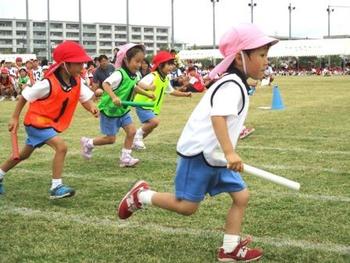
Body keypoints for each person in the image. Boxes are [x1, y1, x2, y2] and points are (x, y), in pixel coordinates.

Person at [117, 23, 278, 262]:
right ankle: (141, 196)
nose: (266, 61)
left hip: (217, 157)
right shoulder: (231, 85)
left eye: (267, 55)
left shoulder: (238, 84)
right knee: (187, 207)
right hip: (201, 154)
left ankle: (230, 249)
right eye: (262, 55)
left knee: (241, 196)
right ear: (239, 58)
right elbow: (218, 118)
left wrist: (228, 152)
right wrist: (230, 152)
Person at [0, 41, 99, 198]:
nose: (82, 67)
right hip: (37, 122)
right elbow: (25, 96)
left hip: (48, 124)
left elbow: (85, 98)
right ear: (65, 64)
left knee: (24, 154)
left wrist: (92, 107)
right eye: (78, 63)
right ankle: (56, 187)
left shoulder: (77, 81)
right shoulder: (48, 83)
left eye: (83, 63)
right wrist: (14, 117)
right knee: (61, 147)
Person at [80, 43, 154, 167]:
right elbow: (105, 84)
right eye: (137, 61)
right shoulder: (119, 74)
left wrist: (147, 94)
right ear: (126, 59)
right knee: (110, 139)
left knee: (131, 131)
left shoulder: (135, 75)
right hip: (110, 110)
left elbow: (134, 87)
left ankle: (125, 157)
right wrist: (114, 97)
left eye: (141, 62)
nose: (139, 65)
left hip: (122, 110)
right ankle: (88, 143)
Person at [132, 51, 192, 150]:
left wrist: (185, 94)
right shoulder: (153, 76)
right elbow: (139, 84)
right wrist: (149, 87)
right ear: (160, 66)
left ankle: (134, 143)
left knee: (150, 127)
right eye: (169, 64)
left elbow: (171, 91)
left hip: (152, 107)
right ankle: (137, 136)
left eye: (172, 64)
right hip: (143, 104)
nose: (171, 67)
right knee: (154, 122)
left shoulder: (165, 78)